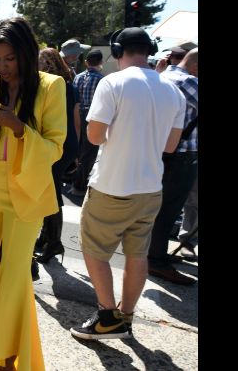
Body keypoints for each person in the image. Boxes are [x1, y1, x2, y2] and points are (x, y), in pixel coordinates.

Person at [0, 17, 66, 371]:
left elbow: (55, 147)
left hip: (27, 195)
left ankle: (7, 355)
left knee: (14, 276)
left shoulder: (51, 86)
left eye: (10, 58)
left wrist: (17, 127)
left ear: (25, 53)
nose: (3, 66)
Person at [70, 27, 185, 341]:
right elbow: (171, 146)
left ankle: (107, 317)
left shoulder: (113, 83)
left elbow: (94, 136)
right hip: (150, 187)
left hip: (112, 185)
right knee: (137, 255)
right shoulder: (173, 91)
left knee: (94, 251)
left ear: (117, 50)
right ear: (148, 50)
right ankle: (127, 316)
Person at [147, 48, 198, 285]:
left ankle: (154, 254)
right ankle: (156, 261)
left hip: (163, 151)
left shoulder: (164, 75)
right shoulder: (187, 81)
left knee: (161, 207)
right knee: (169, 209)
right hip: (181, 155)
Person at [33, 48, 80, 266]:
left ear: (48, 63)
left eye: (41, 60)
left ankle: (53, 242)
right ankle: (46, 237)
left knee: (50, 192)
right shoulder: (69, 84)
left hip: (57, 143)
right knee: (49, 189)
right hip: (67, 142)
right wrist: (76, 148)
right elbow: (77, 117)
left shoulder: (52, 84)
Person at [70, 49, 104, 196]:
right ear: (101, 63)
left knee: (77, 148)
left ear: (86, 62)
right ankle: (79, 184)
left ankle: (73, 176)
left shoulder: (77, 77)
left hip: (77, 114)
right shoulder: (102, 79)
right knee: (89, 152)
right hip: (91, 116)